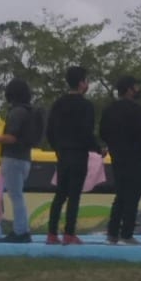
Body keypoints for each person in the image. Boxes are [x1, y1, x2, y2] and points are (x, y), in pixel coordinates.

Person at [99, 76, 141, 244]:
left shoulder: (109, 110)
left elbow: (102, 133)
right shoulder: (136, 109)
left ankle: (112, 233)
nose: (137, 90)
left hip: (117, 158)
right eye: (135, 87)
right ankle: (127, 233)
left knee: (120, 195)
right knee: (133, 196)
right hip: (135, 157)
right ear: (129, 89)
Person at [47, 65, 99, 245]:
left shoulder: (58, 104)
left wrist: (58, 149)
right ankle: (69, 233)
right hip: (79, 154)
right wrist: (97, 148)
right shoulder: (86, 106)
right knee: (74, 195)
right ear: (81, 83)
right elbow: (87, 132)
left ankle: (52, 233)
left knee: (60, 194)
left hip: (62, 154)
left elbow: (50, 131)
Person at [0, 78, 38, 244]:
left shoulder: (16, 112)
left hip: (13, 158)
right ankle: (22, 229)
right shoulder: (29, 111)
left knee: (16, 196)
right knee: (18, 195)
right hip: (25, 158)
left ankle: (20, 231)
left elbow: (11, 138)